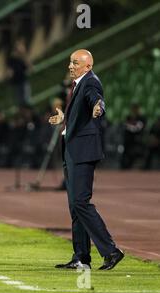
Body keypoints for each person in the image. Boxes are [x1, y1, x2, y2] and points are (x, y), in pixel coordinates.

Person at [49, 49, 124, 270]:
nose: (70, 66)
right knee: (75, 206)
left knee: (81, 202)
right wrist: (65, 118)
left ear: (88, 66)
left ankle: (111, 251)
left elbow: (96, 100)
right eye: (70, 63)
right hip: (73, 150)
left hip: (82, 151)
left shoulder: (90, 82)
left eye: (75, 63)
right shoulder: (79, 84)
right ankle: (81, 257)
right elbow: (82, 109)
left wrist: (98, 108)